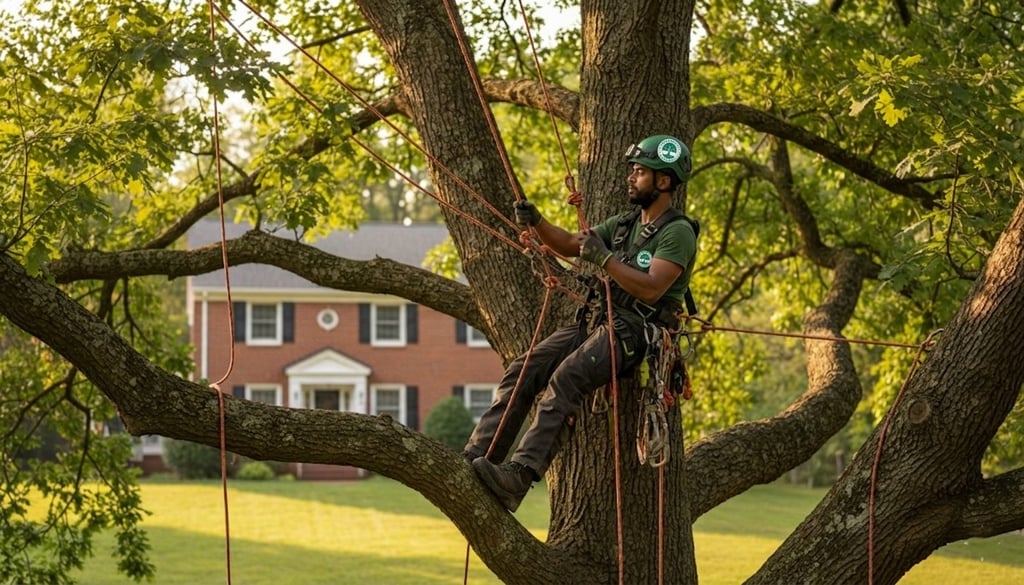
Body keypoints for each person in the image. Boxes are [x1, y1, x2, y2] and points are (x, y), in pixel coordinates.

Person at [464, 134, 699, 512]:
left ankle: (519, 478)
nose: (631, 177)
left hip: (635, 331)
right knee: (526, 367)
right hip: (596, 320)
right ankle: (478, 454)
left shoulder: (678, 232)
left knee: (567, 377)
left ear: (664, 181)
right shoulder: (624, 225)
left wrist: (605, 259)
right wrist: (538, 222)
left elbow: (653, 289)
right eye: (633, 170)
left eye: (640, 172)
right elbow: (572, 243)